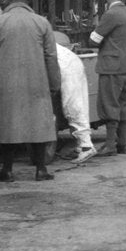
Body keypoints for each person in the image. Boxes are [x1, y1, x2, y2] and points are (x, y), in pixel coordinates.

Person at [0, 0, 62, 181]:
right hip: (37, 82)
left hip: (5, 83)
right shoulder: (42, 23)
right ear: (28, 0)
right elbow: (51, 56)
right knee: (39, 123)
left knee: (7, 123)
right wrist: (54, 83)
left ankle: (7, 170)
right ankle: (41, 169)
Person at [89, 0, 126, 157]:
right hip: (125, 65)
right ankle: (122, 144)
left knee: (109, 104)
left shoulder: (111, 14)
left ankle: (110, 144)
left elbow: (93, 40)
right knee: (125, 104)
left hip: (110, 66)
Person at [53, 32, 96, 163]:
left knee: (73, 106)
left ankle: (86, 147)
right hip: (69, 63)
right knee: (76, 105)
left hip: (66, 67)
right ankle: (80, 146)